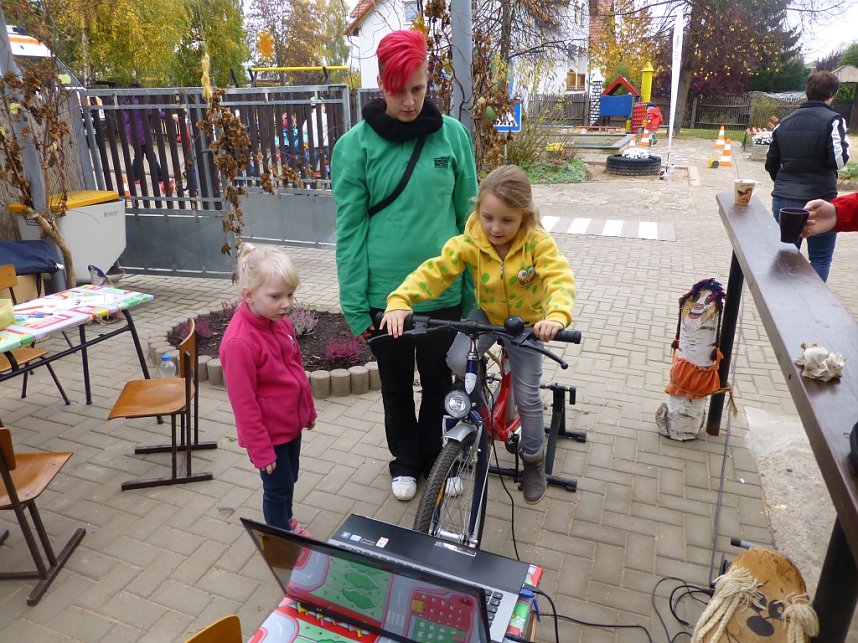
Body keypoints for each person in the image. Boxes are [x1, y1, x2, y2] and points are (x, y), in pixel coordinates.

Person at [331, 29, 478, 502]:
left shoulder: (452, 137)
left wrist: (474, 294)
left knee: (441, 383)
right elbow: (350, 231)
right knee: (396, 388)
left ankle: (440, 458)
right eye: (399, 91)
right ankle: (405, 462)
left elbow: (470, 222)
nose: (410, 101)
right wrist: (355, 306)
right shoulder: (355, 147)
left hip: (444, 294)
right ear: (380, 83)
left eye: (418, 88)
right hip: (382, 299)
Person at [380, 165, 576, 504]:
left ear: (524, 216)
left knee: (529, 399)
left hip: (528, 324)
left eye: (507, 220)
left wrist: (556, 317)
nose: (495, 228)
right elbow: (436, 271)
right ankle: (478, 404)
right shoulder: (472, 240)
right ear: (478, 212)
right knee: (456, 360)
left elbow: (558, 278)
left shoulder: (537, 243)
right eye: (488, 217)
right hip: (487, 315)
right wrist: (401, 301)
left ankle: (532, 460)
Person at [219, 243, 317, 534]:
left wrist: (307, 410)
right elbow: (244, 405)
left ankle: (286, 522)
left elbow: (296, 368)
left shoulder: (279, 323)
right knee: (276, 489)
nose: (286, 303)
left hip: (290, 424)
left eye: (290, 295)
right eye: (276, 296)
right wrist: (261, 451)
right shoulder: (239, 343)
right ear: (248, 295)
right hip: (268, 435)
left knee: (289, 479)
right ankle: (281, 541)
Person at [765, 71, 849, 282]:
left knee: (786, 253)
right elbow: (838, 161)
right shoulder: (834, 120)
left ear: (807, 92)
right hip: (822, 199)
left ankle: (782, 301)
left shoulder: (784, 122)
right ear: (832, 93)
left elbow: (771, 163)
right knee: (820, 258)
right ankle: (812, 307)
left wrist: (785, 183)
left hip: (785, 198)